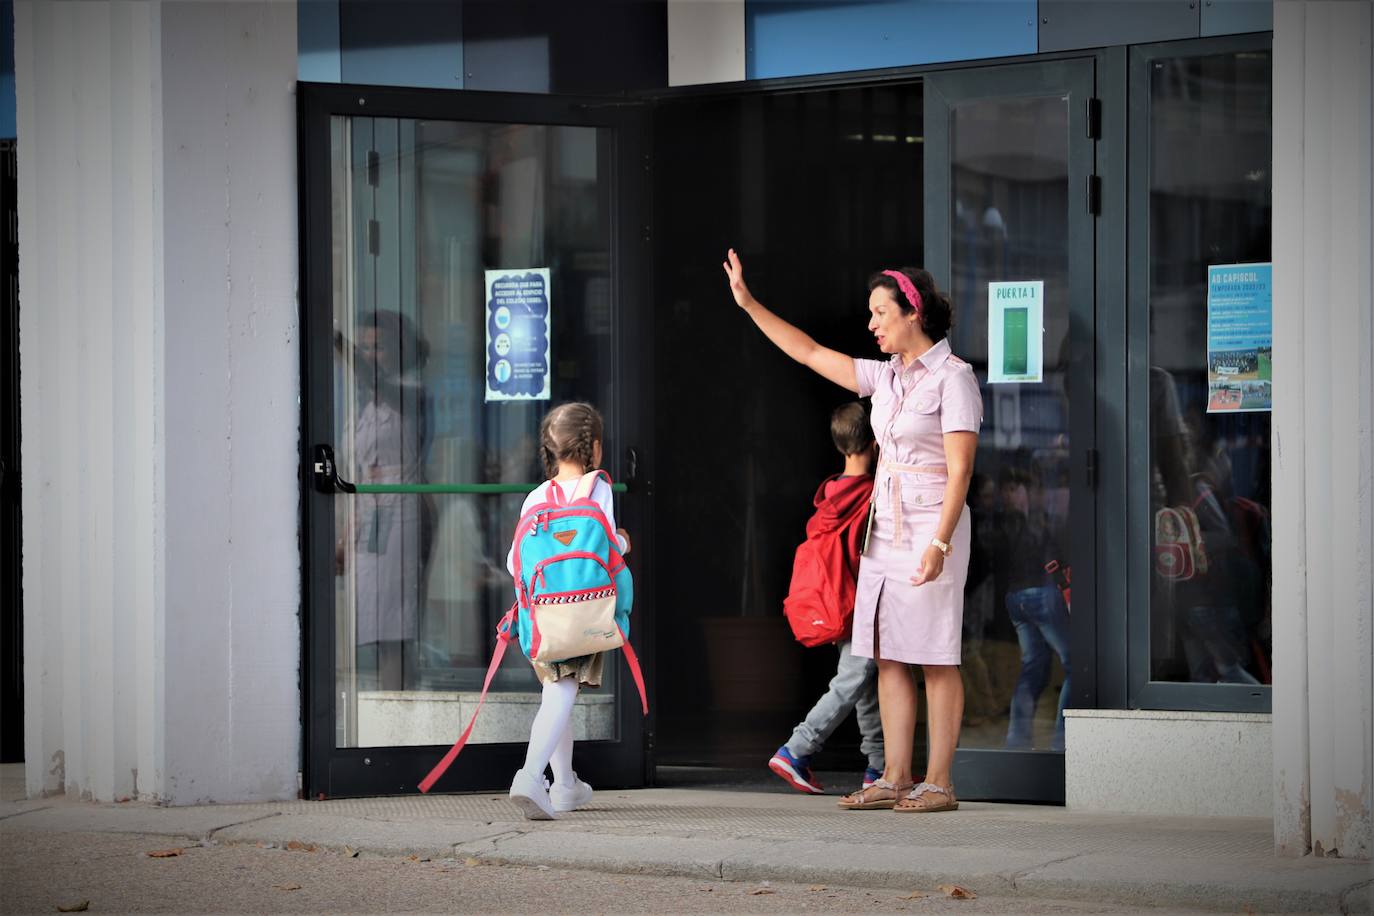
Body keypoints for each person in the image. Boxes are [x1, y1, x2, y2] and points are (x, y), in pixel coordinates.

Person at [723, 250, 981, 813]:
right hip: (884, 529)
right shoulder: (884, 377)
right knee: (887, 654)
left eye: (880, 313)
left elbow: (961, 470)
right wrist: (749, 305)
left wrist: (940, 543)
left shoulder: (954, 378)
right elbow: (810, 352)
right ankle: (893, 775)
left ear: (912, 314)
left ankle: (939, 782)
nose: (872, 324)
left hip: (932, 527)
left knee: (935, 656)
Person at [505, 402, 632, 820]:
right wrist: (625, 543)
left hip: (541, 617)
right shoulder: (598, 488)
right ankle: (529, 776)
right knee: (562, 692)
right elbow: (609, 546)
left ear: (548, 448)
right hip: (585, 614)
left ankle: (564, 786)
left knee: (556, 691)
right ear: (594, 446)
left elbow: (513, 563)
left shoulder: (536, 497)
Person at [768, 402, 885, 795]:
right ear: (875, 442)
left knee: (863, 683)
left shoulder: (829, 496)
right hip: (862, 602)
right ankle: (797, 748)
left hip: (836, 602)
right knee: (852, 679)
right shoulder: (872, 496)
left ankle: (878, 767)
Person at [337, 309, 434, 691]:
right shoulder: (364, 404)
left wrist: (341, 349)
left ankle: (398, 707)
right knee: (374, 625)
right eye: (361, 347)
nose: (366, 355)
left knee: (394, 625)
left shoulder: (411, 393)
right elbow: (359, 472)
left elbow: (375, 380)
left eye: (375, 347)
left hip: (401, 515)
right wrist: (347, 533)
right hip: (369, 517)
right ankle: (386, 704)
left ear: (397, 350)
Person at [997, 466, 1071, 751]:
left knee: (1034, 667)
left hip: (1015, 600)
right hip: (1039, 595)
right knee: (1076, 664)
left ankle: (1017, 742)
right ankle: (1063, 742)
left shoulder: (1003, 522)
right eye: (1013, 488)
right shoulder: (1023, 522)